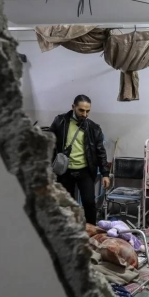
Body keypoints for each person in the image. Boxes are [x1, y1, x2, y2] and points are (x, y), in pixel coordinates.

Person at [49, 94, 110, 224]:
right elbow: (49, 144)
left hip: (85, 171)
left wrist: (105, 174)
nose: (85, 114)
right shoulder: (60, 121)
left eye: (88, 111)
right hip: (65, 171)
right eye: (81, 110)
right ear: (73, 107)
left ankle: (92, 231)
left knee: (89, 203)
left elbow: (101, 152)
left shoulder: (94, 128)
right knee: (66, 204)